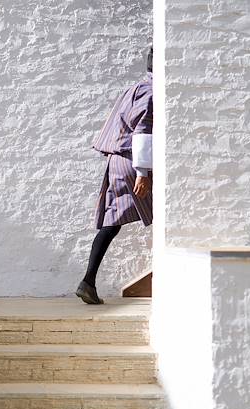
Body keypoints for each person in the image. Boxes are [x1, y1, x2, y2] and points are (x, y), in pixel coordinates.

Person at [76, 46, 154, 304]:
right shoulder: (152, 93)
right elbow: (142, 131)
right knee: (156, 213)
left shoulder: (137, 87)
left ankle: (88, 281)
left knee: (113, 221)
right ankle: (88, 280)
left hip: (118, 160)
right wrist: (142, 173)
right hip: (131, 161)